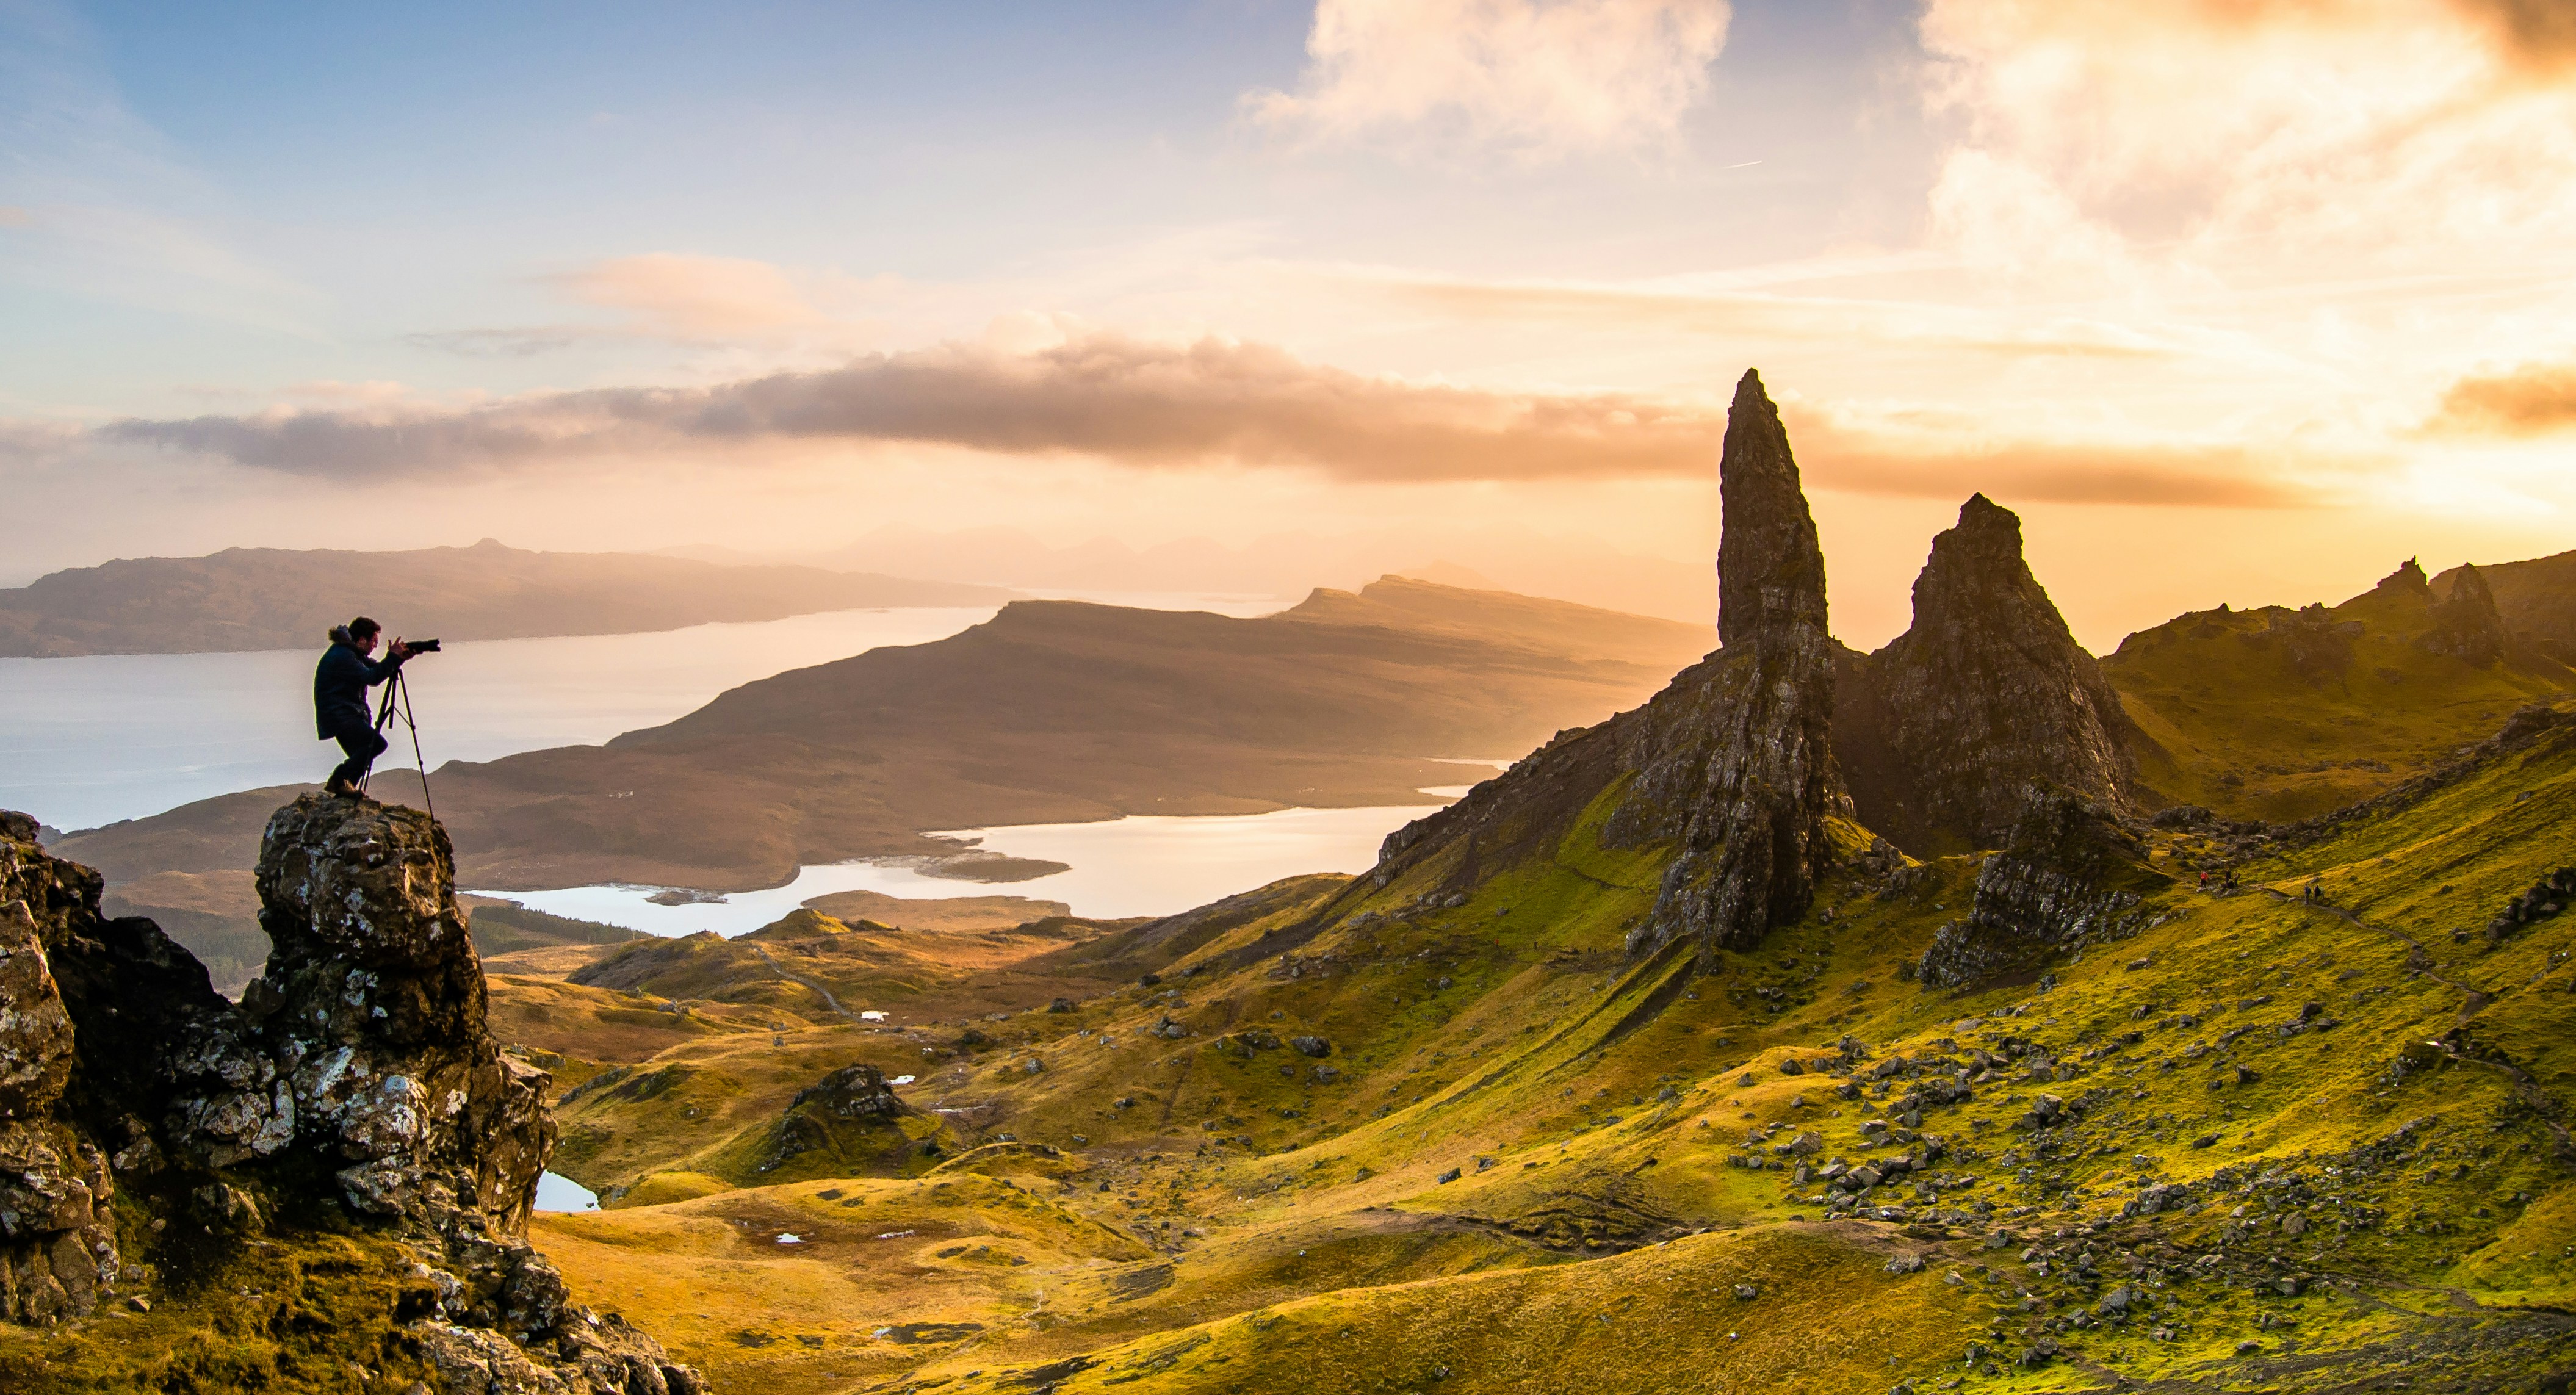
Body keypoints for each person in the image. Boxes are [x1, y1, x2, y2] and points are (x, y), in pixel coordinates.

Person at [315, 617, 415, 796]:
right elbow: (373, 678)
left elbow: (376, 669)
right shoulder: (343, 656)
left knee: (364, 754)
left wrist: (397, 659)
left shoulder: (350, 652)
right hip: (340, 715)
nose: (376, 646)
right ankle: (339, 780)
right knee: (375, 744)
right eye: (374, 641)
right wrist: (392, 658)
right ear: (362, 640)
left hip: (341, 714)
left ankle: (345, 788)